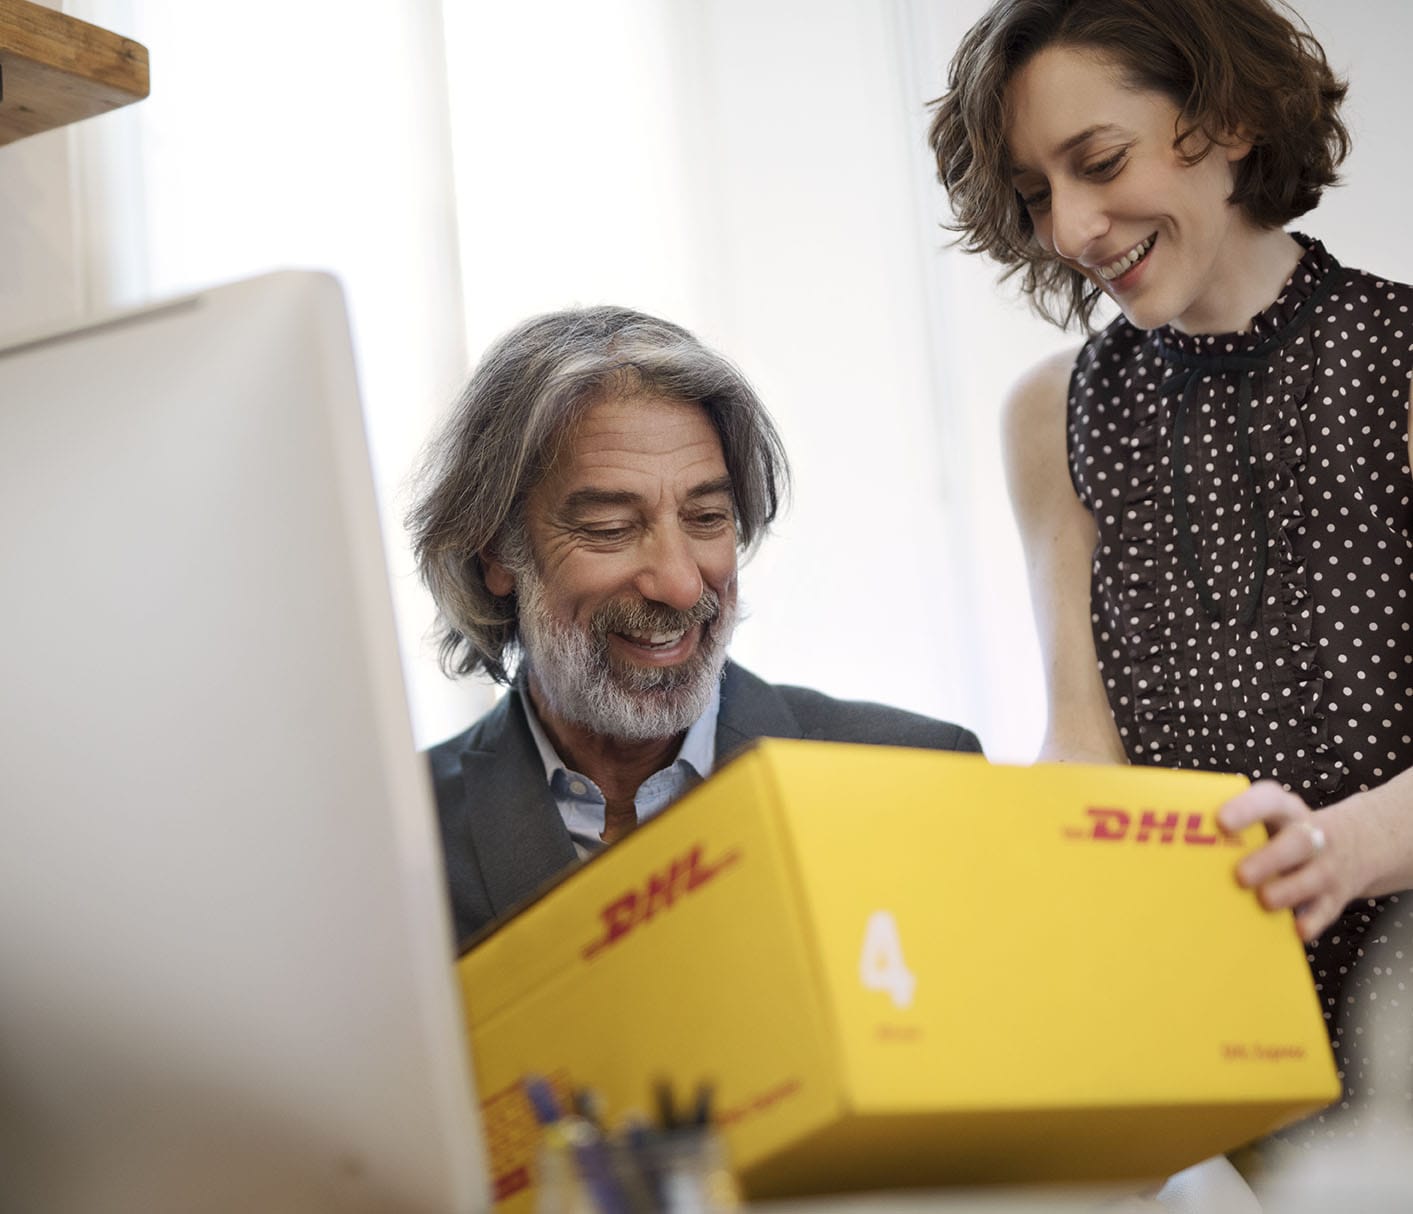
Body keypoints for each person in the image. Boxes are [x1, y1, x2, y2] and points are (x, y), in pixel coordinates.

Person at [928, 0, 1413, 1135]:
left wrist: (1339, 849)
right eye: (1039, 192)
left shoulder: (1400, 367)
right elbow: (1083, 740)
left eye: (1099, 162)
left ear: (1230, 119)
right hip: (1210, 1025)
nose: (1073, 227)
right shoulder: (1054, 415)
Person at [407, 306, 982, 949]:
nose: (681, 584)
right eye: (610, 530)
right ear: (496, 556)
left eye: (708, 518)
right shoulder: (392, 845)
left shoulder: (920, 778)